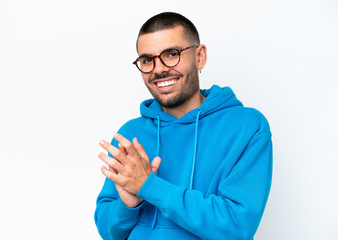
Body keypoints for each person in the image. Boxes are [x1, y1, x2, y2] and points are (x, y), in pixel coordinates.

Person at [94, 12, 272, 240]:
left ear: (200, 57)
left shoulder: (247, 127)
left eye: (172, 54)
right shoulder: (131, 133)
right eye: (147, 60)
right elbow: (109, 232)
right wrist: (127, 205)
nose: (158, 69)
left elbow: (237, 227)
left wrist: (149, 186)